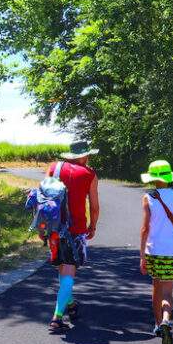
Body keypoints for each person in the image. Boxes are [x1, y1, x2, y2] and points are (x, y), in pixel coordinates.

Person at [46, 141, 100, 333]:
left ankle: (70, 304)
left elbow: (45, 197)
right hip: (74, 229)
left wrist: (42, 228)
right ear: (84, 156)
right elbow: (94, 206)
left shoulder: (54, 168)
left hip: (53, 228)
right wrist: (92, 226)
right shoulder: (89, 174)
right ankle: (57, 318)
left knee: (62, 268)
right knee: (69, 272)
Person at [138, 159, 173, 344]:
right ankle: (167, 321)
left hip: (154, 251)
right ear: (169, 177)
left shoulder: (148, 197)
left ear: (152, 179)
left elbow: (145, 228)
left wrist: (142, 255)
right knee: (168, 291)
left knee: (156, 287)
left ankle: (157, 324)